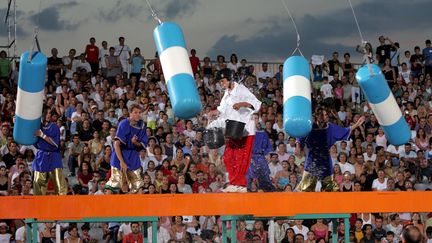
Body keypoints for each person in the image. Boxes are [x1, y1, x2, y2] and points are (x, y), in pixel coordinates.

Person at [208, 68, 261, 192]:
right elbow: (222, 109)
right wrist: (213, 112)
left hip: (246, 129)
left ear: (230, 79)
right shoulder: (227, 93)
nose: (221, 84)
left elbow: (257, 104)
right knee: (228, 157)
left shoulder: (241, 89)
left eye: (222, 81)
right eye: (219, 82)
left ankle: (240, 185)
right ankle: (233, 183)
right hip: (234, 129)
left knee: (241, 158)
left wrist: (242, 103)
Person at [296, 108, 365, 191]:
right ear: (319, 116)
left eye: (327, 115)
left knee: (329, 188)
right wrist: (297, 146)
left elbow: (344, 130)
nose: (327, 117)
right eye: (324, 115)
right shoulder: (310, 127)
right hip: (312, 159)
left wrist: (357, 124)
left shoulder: (330, 127)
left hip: (325, 160)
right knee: (306, 188)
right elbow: (300, 135)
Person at [106, 104, 148, 193]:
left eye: (139, 112)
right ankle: (106, 205)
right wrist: (122, 162)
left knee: (137, 184)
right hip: (120, 154)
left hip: (133, 155)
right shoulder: (124, 123)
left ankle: (138, 206)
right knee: (115, 183)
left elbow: (142, 145)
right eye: (135, 112)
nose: (138, 114)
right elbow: (116, 144)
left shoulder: (142, 125)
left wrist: (134, 142)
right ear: (130, 113)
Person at [33, 110, 68, 195]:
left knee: (59, 185)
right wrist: (18, 122)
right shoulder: (37, 127)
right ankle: (38, 207)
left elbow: (55, 143)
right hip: (41, 157)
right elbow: (30, 139)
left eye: (50, 113)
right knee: (38, 185)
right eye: (47, 113)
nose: (49, 115)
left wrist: (42, 135)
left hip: (54, 157)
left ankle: (62, 206)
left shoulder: (54, 126)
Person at [246, 124, 276, 192]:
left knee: (265, 178)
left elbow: (267, 147)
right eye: (253, 118)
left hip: (260, 157)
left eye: (256, 118)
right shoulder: (245, 133)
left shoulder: (262, 133)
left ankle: (270, 196)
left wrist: (267, 154)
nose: (254, 120)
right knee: (249, 178)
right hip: (249, 158)